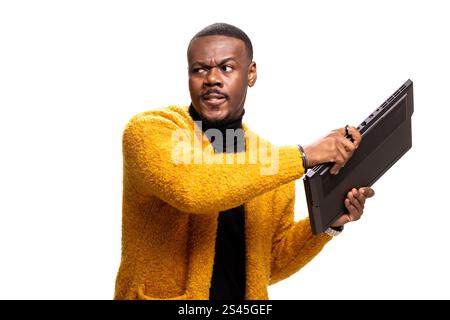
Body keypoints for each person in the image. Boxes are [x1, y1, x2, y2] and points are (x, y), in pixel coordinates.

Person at [114, 23, 375, 300]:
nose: (211, 78)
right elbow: (192, 189)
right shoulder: (150, 131)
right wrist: (303, 156)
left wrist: (327, 225)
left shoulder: (270, 160)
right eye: (199, 69)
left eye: (226, 68)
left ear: (251, 74)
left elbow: (269, 263)